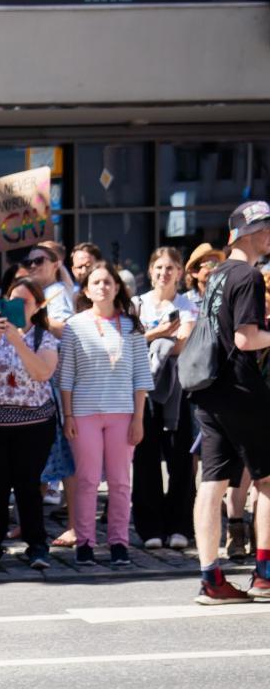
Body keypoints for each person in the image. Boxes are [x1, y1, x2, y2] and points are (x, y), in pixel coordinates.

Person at [190, 200, 270, 604]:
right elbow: (246, 339)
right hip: (239, 386)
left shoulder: (218, 273)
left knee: (211, 483)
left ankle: (211, 579)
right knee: (268, 479)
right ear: (251, 233)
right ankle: (264, 574)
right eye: (267, 228)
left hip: (208, 388)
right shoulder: (249, 276)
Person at [58, 261, 153, 568]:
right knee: (86, 480)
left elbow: (141, 377)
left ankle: (119, 542)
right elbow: (66, 376)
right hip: (85, 413)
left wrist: (138, 418)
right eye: (96, 282)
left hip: (122, 413)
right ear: (86, 290)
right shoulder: (75, 326)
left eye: (108, 282)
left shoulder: (132, 326)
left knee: (120, 482)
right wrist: (68, 416)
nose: (102, 287)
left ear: (117, 288)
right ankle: (85, 542)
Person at [0, 275, 59, 572]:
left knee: (28, 486)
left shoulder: (43, 338)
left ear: (37, 306)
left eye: (25, 302)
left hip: (33, 423)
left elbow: (43, 372)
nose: (17, 307)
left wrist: (19, 343)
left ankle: (36, 544)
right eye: (13, 300)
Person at [133, 246, 196, 551]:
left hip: (178, 391)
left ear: (180, 272)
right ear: (150, 271)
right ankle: (150, 527)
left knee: (180, 460)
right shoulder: (137, 304)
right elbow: (131, 342)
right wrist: (158, 334)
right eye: (158, 267)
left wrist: (153, 337)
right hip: (142, 391)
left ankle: (180, 525)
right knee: (144, 459)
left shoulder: (187, 305)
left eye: (170, 267)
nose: (164, 273)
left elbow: (181, 345)